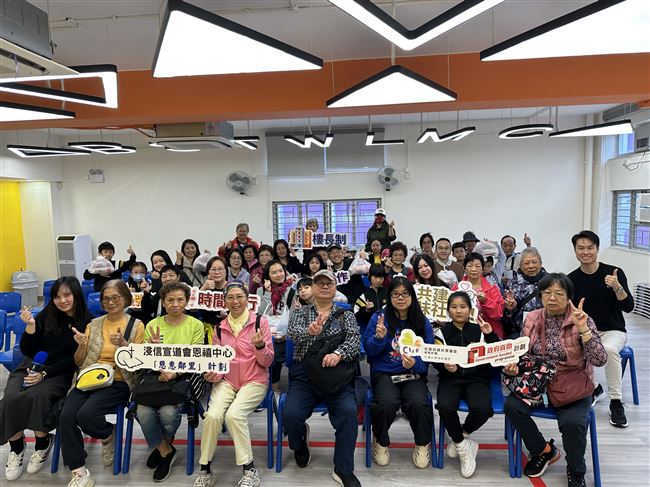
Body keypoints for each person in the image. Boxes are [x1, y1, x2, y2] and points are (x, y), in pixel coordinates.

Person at [504, 273, 607, 487]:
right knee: (512, 406)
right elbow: (522, 353)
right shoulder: (532, 317)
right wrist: (513, 364)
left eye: (559, 293)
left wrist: (584, 330)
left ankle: (576, 469)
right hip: (538, 381)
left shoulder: (581, 319)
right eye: (547, 293)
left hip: (572, 384)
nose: (552, 298)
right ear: (540, 295)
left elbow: (600, 359)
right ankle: (543, 450)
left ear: (569, 296)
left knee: (572, 423)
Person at [1, 277, 93, 481]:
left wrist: (44, 374)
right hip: (31, 365)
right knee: (9, 399)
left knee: (35, 397)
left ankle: (43, 443)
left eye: (67, 295)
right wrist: (31, 326)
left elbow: (74, 362)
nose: (62, 300)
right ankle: (16, 447)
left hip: (59, 373)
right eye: (57, 296)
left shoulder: (88, 321)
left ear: (76, 295)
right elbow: (28, 350)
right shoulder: (46, 315)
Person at [59, 279, 145, 487]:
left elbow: (139, 365)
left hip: (119, 380)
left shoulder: (136, 325)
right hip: (90, 377)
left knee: (85, 414)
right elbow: (79, 362)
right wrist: (81, 346)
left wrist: (124, 345)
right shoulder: (94, 324)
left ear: (126, 299)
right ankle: (79, 471)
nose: (111, 302)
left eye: (115, 298)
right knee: (66, 415)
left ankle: (107, 434)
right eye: (106, 299)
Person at [285, 270, 362, 487]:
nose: (325, 286)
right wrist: (310, 332)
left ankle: (343, 469)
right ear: (313, 287)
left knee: (348, 413)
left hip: (336, 375)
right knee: (291, 415)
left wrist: (338, 354)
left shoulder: (346, 314)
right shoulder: (300, 312)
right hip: (305, 375)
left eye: (329, 283)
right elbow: (293, 334)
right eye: (320, 283)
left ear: (335, 287)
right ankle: (299, 443)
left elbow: (354, 341)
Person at [194, 282, 274, 487]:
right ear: (224, 301)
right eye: (230, 297)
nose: (235, 301)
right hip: (227, 381)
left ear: (247, 299)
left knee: (234, 415)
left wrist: (259, 346)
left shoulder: (260, 322)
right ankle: (205, 469)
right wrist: (211, 374)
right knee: (212, 416)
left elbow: (267, 362)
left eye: (239, 296)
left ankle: (249, 469)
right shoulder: (219, 329)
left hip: (254, 380)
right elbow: (216, 363)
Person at [363, 277, 434, 468]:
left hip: (413, 374)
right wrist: (379, 338)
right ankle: (381, 441)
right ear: (389, 297)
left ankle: (422, 443)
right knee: (386, 402)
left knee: (418, 402)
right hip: (385, 373)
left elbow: (428, 355)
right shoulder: (379, 318)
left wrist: (416, 364)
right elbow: (369, 351)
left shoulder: (422, 321)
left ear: (412, 296)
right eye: (395, 294)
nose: (400, 298)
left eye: (405, 294)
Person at [137, 282, 204, 481]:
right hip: (156, 376)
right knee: (143, 412)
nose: (175, 304)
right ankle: (166, 450)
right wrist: (155, 352)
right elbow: (146, 358)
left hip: (183, 379)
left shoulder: (196, 325)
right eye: (170, 300)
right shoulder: (153, 325)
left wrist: (173, 373)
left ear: (187, 301)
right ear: (163, 302)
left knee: (168, 412)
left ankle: (162, 446)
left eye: (180, 300)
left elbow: (195, 357)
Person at [568, 230, 634, 427]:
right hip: (586, 331)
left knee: (609, 349)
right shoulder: (571, 279)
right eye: (581, 248)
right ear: (575, 251)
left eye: (590, 248)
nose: (585, 252)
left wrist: (617, 287)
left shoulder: (614, 273)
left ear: (597, 249)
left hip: (613, 330)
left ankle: (616, 402)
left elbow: (628, 307)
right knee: (566, 348)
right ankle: (595, 388)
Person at [435, 291, 499, 478]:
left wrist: (490, 335)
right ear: (448, 311)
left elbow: (496, 355)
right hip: (450, 378)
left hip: (477, 379)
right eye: (454, 307)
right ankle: (463, 447)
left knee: (483, 409)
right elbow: (435, 358)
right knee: (445, 407)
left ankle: (462, 435)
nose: (458, 311)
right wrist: (444, 365)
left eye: (463, 307)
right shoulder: (441, 333)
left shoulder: (480, 329)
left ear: (470, 310)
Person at [257, 260, 295, 392]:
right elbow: (261, 313)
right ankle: (264, 389)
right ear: (267, 276)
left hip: (285, 334)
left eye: (280, 271)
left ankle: (274, 390)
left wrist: (286, 334)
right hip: (266, 333)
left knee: (277, 355)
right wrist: (267, 293)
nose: (279, 275)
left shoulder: (291, 291)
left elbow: (293, 316)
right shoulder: (260, 290)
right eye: (274, 272)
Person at [452, 253, 505, 338]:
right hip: (462, 332)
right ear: (464, 268)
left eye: (477, 266)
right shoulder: (456, 288)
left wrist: (485, 301)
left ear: (482, 269)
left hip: (489, 332)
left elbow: (498, 314)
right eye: (470, 266)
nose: (474, 269)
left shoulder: (492, 289)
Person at [501, 247, 547, 339]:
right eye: (526, 263)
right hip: (520, 333)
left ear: (541, 263)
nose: (531, 266)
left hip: (547, 332)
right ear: (520, 266)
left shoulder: (550, 282)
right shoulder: (512, 284)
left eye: (534, 262)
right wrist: (510, 309)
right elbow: (506, 318)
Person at [201, 256, 230, 344]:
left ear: (226, 271)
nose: (217, 272)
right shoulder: (204, 288)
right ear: (208, 272)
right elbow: (192, 309)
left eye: (220, 269)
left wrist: (229, 316)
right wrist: (203, 288)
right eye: (213, 269)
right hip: (209, 332)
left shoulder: (233, 288)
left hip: (230, 331)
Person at [354, 265, 388, 334]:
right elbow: (357, 317)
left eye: (381, 277)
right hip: (370, 331)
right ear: (369, 276)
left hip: (388, 329)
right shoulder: (364, 296)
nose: (378, 280)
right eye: (375, 277)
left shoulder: (389, 293)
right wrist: (367, 310)